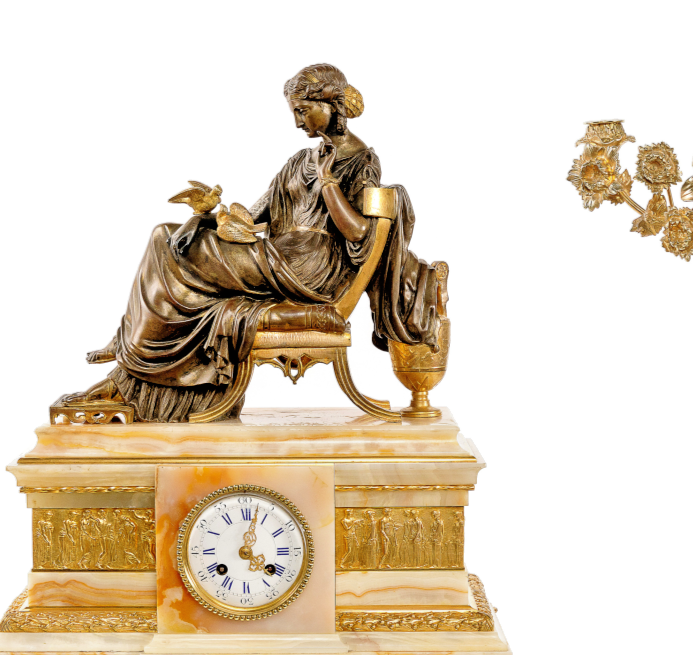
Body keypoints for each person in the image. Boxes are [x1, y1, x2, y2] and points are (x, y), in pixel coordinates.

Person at [65, 63, 444, 422]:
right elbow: (256, 216)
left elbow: (360, 233)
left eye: (303, 110)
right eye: (294, 112)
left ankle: (133, 351)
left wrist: (328, 183)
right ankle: (133, 350)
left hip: (310, 266)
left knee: (171, 245)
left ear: (330, 105)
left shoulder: (361, 160)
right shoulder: (301, 160)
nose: (297, 122)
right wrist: (211, 212)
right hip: (279, 253)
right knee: (166, 234)